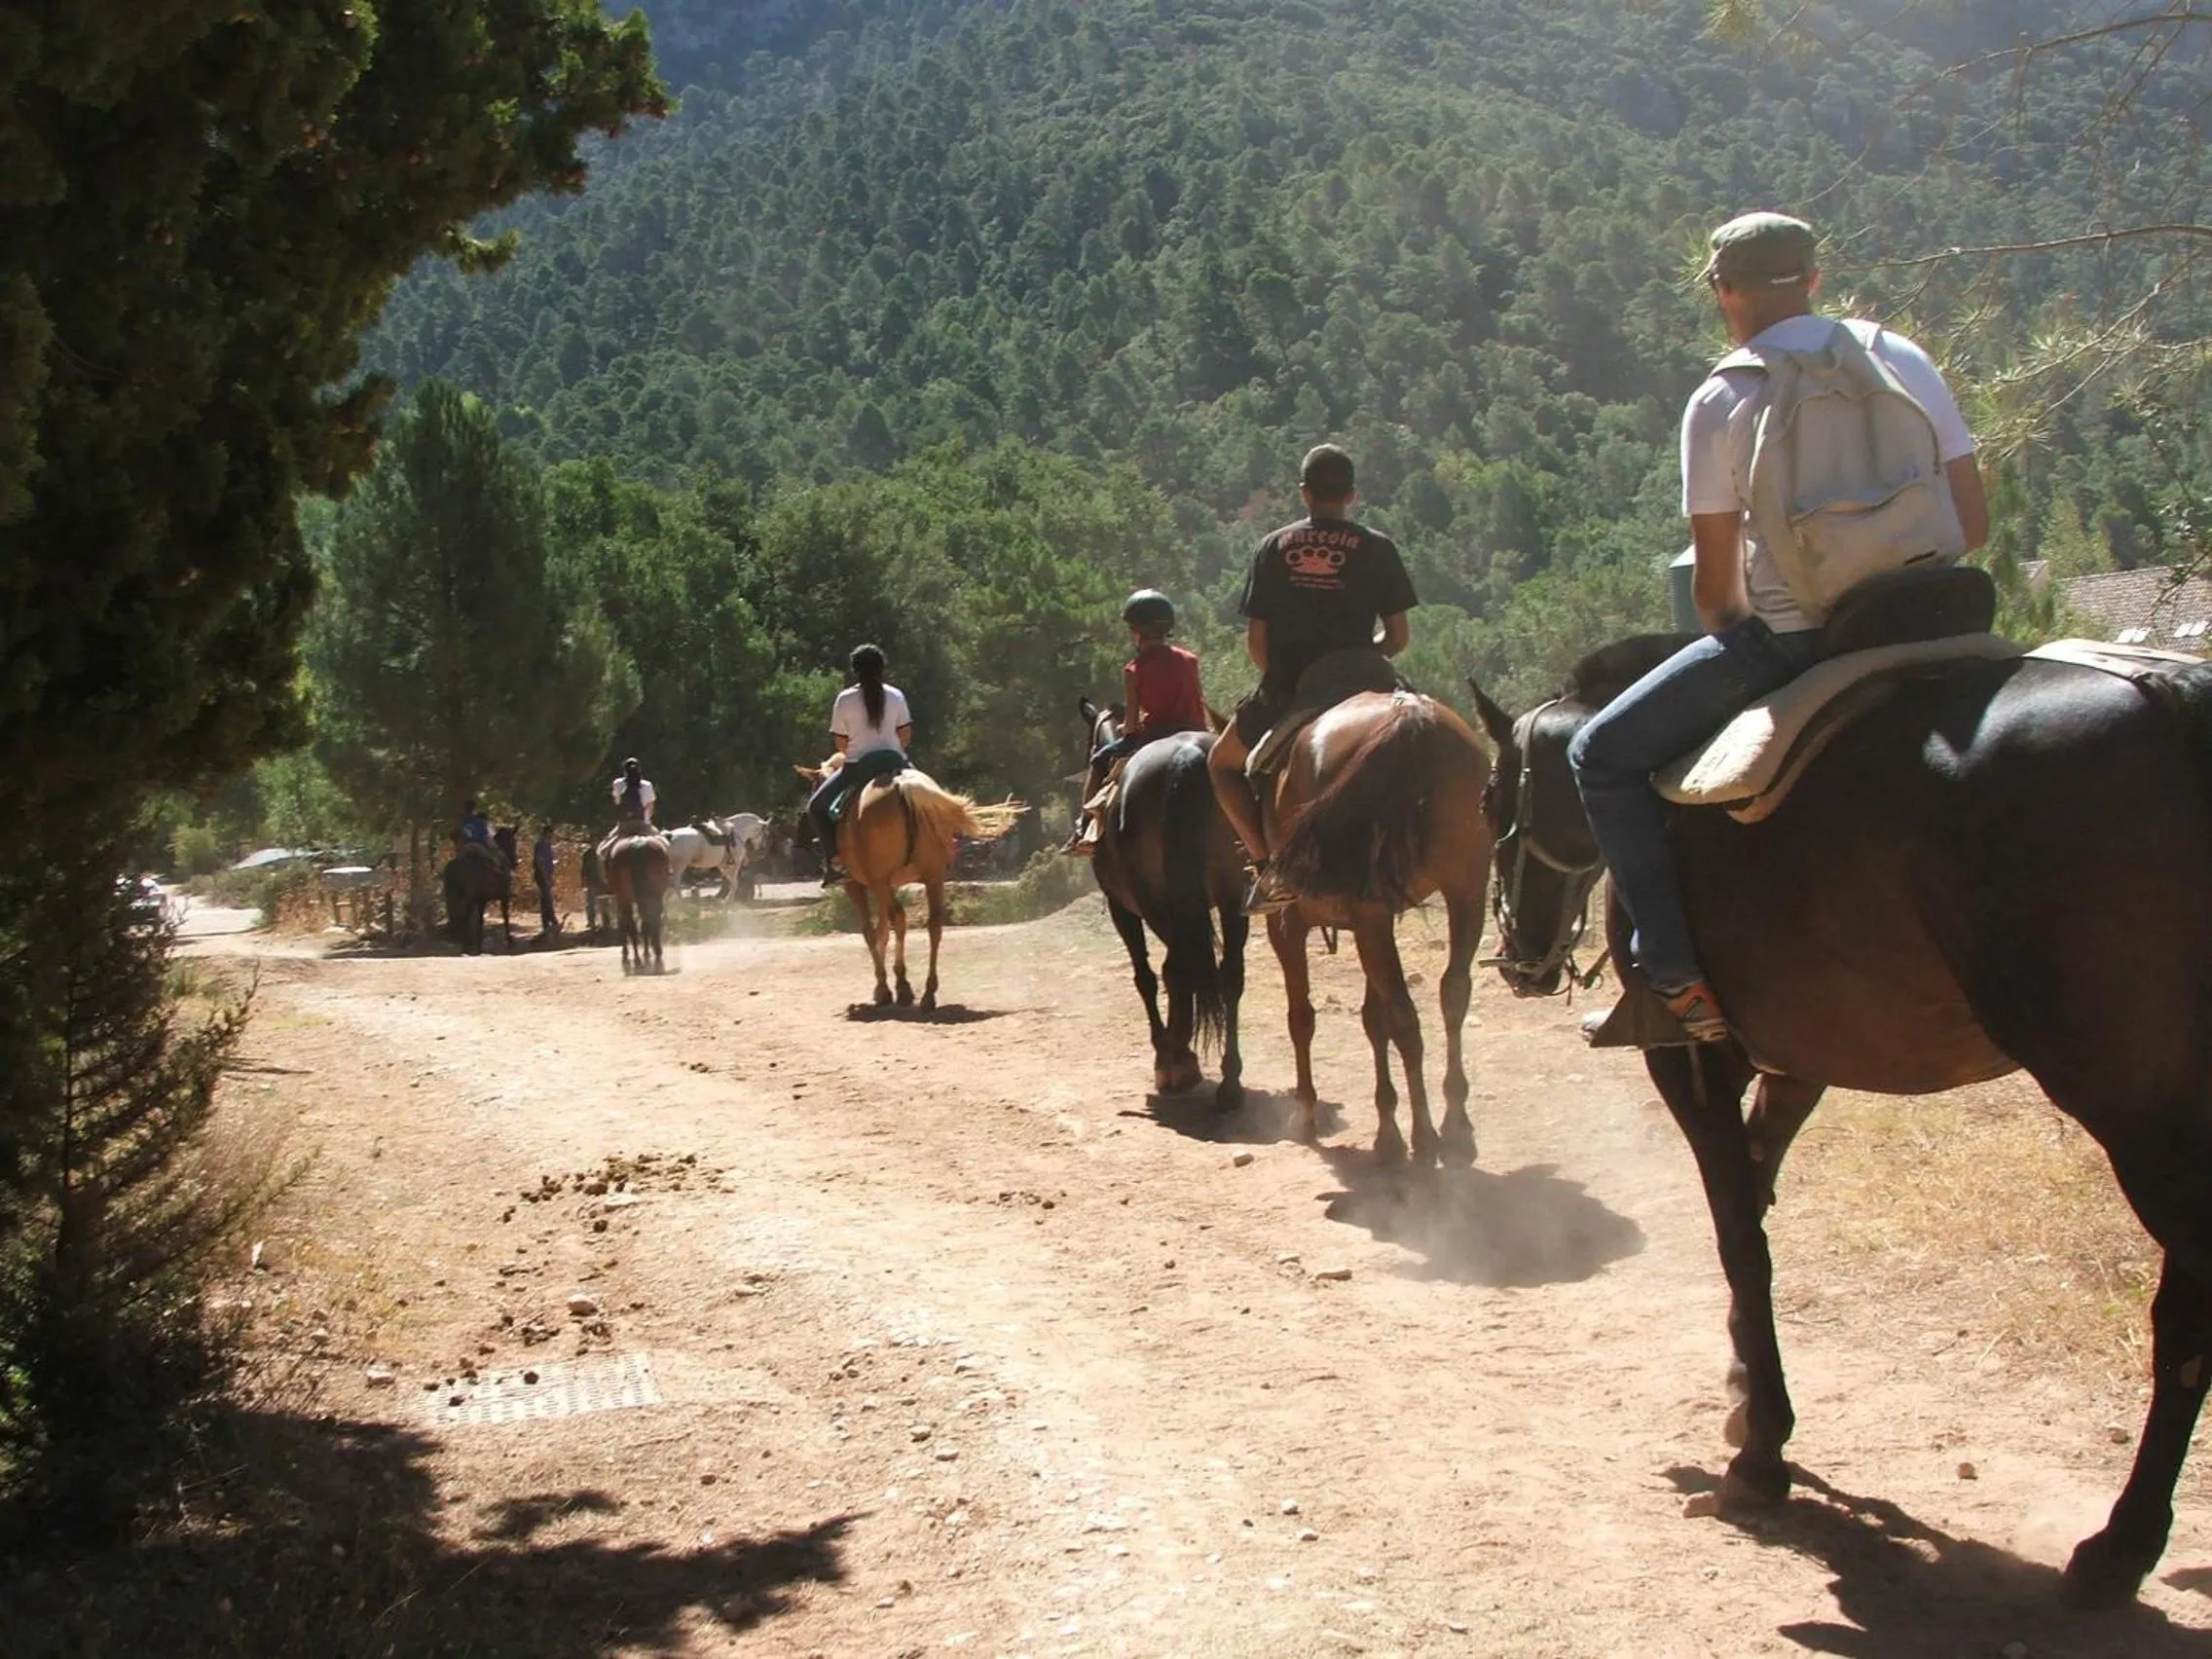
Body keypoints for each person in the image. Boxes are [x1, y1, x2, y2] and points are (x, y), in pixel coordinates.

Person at [1568, 211, 1989, 1043]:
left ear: (1724, 294)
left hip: (1804, 636)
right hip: (1945, 608)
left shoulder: (1723, 395)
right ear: (1815, 280)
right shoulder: (1900, 357)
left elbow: (1719, 596)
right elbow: (1971, 520)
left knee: (1600, 756)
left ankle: (1674, 976)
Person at [1207, 443, 1418, 912]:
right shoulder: (1378, 547)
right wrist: (1367, 655)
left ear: (1305, 493)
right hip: (1366, 675)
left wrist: (1284, 678)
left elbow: (1257, 642)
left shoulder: (1273, 547)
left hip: (1293, 685)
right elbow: (1398, 637)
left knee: (1221, 765)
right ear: (1352, 495)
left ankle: (1269, 869)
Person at [1064, 588, 1209, 855]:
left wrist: (1126, 729)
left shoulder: (1134, 669)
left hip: (1155, 735)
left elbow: (1130, 724)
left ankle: (1083, 828)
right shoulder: (1190, 660)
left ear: (1135, 631)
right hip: (1197, 729)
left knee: (1098, 762)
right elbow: (1198, 699)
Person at [808, 644, 914, 883]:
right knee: (932, 797)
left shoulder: (845, 699)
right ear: (883, 668)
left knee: (815, 807)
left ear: (855, 670)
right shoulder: (896, 695)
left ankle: (834, 863)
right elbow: (905, 735)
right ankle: (945, 844)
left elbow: (840, 743)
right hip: (896, 761)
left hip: (858, 767)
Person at [609, 756, 655, 831]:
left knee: (606, 842)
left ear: (625, 771)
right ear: (639, 770)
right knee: (662, 840)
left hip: (623, 825)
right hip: (643, 824)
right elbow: (651, 808)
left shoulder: (617, 783)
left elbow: (617, 802)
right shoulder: (647, 785)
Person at [533, 822, 558, 937]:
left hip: (547, 874)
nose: (552, 836)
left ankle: (549, 922)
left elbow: (551, 860)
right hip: (542, 875)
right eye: (551, 834)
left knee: (547, 899)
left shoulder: (547, 845)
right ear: (547, 833)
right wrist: (544, 876)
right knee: (546, 899)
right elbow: (539, 861)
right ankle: (550, 921)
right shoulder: (540, 845)